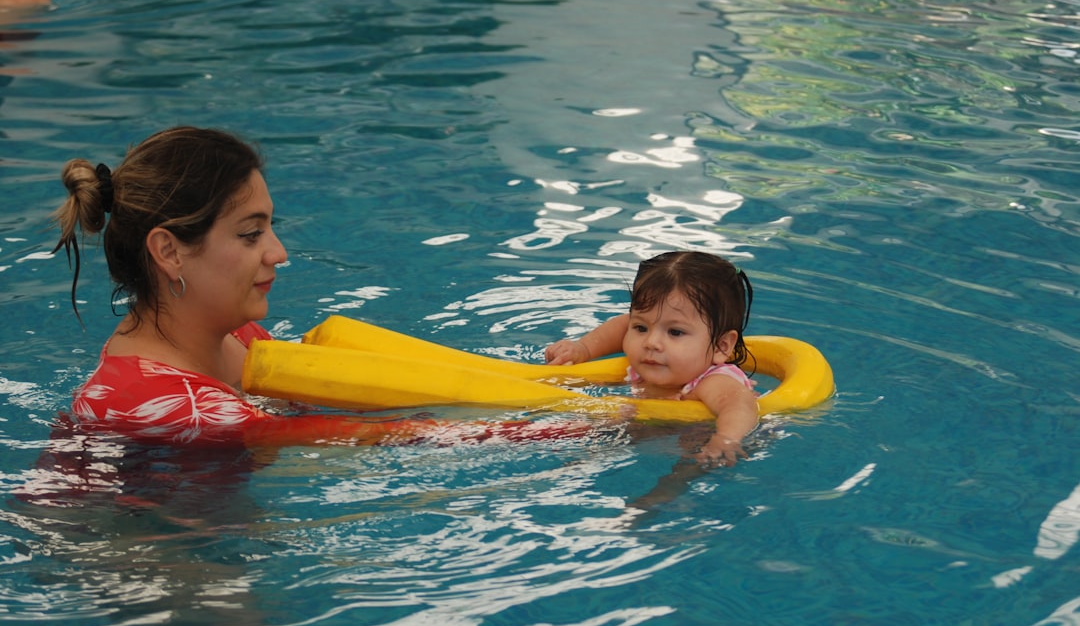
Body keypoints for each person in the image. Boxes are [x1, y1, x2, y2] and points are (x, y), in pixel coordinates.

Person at [52, 126, 575, 447]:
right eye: (251, 234)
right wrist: (597, 426)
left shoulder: (236, 335)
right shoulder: (168, 407)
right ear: (169, 252)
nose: (278, 252)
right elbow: (384, 437)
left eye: (270, 228)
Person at [545, 251, 759, 466]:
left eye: (675, 332)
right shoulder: (655, 358)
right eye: (641, 328)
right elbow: (623, 325)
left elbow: (740, 405)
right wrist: (583, 348)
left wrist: (726, 438)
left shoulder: (713, 381)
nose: (651, 342)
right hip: (645, 424)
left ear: (721, 346)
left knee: (680, 474)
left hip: (696, 438)